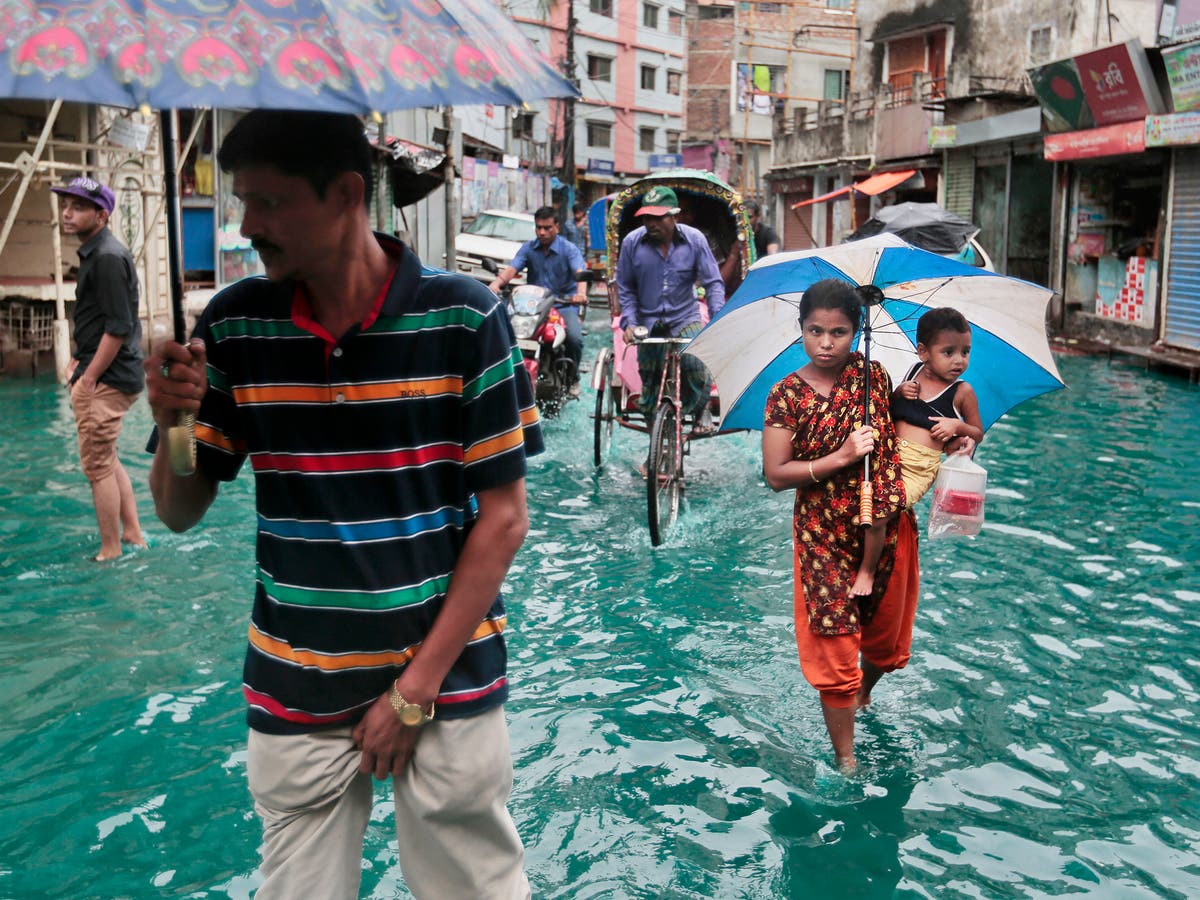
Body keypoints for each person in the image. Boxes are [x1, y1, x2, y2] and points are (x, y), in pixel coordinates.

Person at [145, 110, 540, 899]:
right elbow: (178, 509)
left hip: (446, 680)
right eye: (242, 201)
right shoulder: (233, 326)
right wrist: (175, 423)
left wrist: (413, 691)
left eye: (269, 202)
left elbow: (504, 519)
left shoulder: (465, 317)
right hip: (298, 680)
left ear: (348, 194)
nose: (247, 224)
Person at [761, 279, 917, 774]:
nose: (826, 343)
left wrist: (954, 437)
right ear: (800, 329)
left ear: (856, 331)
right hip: (821, 535)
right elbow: (775, 475)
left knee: (888, 644)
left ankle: (864, 692)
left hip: (885, 523)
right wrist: (841, 456)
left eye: (839, 332)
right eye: (814, 331)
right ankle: (846, 757)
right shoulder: (786, 394)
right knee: (833, 652)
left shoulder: (873, 377)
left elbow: (904, 435)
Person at [52, 175, 147, 561]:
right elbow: (103, 320)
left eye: (77, 206)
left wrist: (89, 377)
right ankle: (132, 534)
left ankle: (110, 550)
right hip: (107, 371)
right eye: (65, 204)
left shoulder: (106, 256)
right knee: (106, 459)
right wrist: (81, 358)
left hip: (106, 377)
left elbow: (119, 327)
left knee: (96, 466)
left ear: (102, 214)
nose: (66, 212)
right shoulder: (100, 251)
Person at [615, 185, 725, 431]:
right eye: (646, 218)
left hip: (684, 317)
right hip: (647, 320)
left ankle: (701, 409)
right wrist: (630, 323)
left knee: (696, 366)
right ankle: (655, 441)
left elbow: (713, 282)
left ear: (674, 216)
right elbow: (625, 287)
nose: (650, 223)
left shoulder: (694, 240)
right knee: (650, 380)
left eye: (657, 218)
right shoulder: (632, 243)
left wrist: (718, 318)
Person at [488, 205, 588, 397]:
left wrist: (580, 294)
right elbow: (513, 268)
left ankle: (573, 379)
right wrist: (496, 284)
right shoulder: (528, 248)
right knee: (502, 333)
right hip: (533, 307)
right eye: (538, 227)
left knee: (575, 339)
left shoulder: (569, 250)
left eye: (547, 227)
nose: (542, 232)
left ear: (557, 227)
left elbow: (579, 273)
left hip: (563, 306)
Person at [891, 307, 984, 506]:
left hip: (919, 468)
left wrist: (957, 426)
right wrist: (899, 391)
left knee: (887, 508)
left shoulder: (962, 391)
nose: (959, 360)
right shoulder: (913, 372)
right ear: (923, 352)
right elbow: (892, 408)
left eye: (965, 351)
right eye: (948, 352)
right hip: (889, 454)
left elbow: (977, 433)